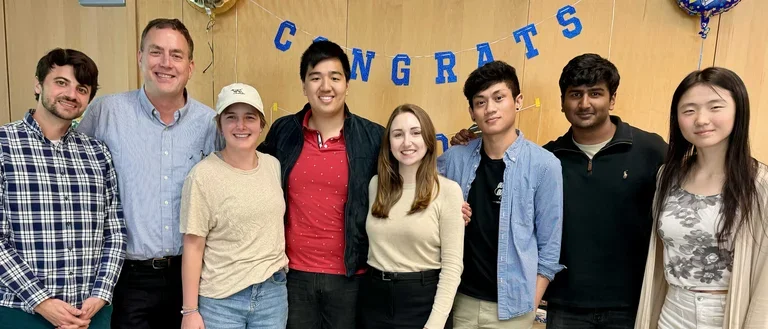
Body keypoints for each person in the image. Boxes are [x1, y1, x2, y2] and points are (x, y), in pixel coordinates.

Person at [76, 18, 219, 329]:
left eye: (176, 55)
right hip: (127, 278)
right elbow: (74, 174)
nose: (165, 63)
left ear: (190, 67)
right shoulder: (106, 113)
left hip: (194, 277)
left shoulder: (211, 124)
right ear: (140, 57)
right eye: (156, 52)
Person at [257, 40, 384, 329]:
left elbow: (406, 183)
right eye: (315, 77)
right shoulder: (284, 132)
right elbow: (250, 173)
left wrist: (447, 203)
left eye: (335, 77)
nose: (325, 86)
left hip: (351, 277)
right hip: (292, 275)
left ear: (347, 85)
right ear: (304, 86)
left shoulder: (374, 137)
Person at [0, 48, 126, 329]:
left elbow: (114, 231)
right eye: (61, 82)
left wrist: (101, 294)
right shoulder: (3, 145)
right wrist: (42, 301)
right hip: (21, 311)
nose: (71, 94)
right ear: (38, 84)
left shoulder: (98, 153)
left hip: (90, 314)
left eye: (82, 88)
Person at [635, 67, 768, 328]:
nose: (701, 119)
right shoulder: (668, 176)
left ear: (738, 110)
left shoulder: (759, 183)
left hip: (729, 314)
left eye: (715, 107)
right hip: (673, 309)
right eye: (689, 110)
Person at [540, 54, 667, 329]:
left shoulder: (651, 150)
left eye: (595, 93)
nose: (584, 104)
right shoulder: (546, 158)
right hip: (565, 304)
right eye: (575, 94)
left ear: (611, 100)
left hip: (631, 305)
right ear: (563, 102)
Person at [438, 60, 564, 329]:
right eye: (480, 102)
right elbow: (423, 206)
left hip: (515, 307)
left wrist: (532, 302)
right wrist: (447, 214)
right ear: (472, 113)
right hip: (462, 301)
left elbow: (550, 246)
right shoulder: (453, 161)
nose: (490, 108)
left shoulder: (544, 165)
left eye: (499, 98)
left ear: (517, 101)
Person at [179, 83, 289, 329]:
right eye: (231, 118)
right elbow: (193, 246)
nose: (241, 126)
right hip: (221, 302)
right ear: (219, 125)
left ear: (261, 125)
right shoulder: (202, 176)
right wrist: (190, 311)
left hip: (272, 295)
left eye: (249, 117)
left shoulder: (273, 166)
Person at [360, 104, 464, 329]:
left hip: (423, 302)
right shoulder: (375, 185)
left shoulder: (448, 191)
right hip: (374, 300)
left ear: (428, 138)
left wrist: (435, 324)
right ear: (389, 143)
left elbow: (453, 267)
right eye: (398, 134)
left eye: (416, 133)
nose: (407, 142)